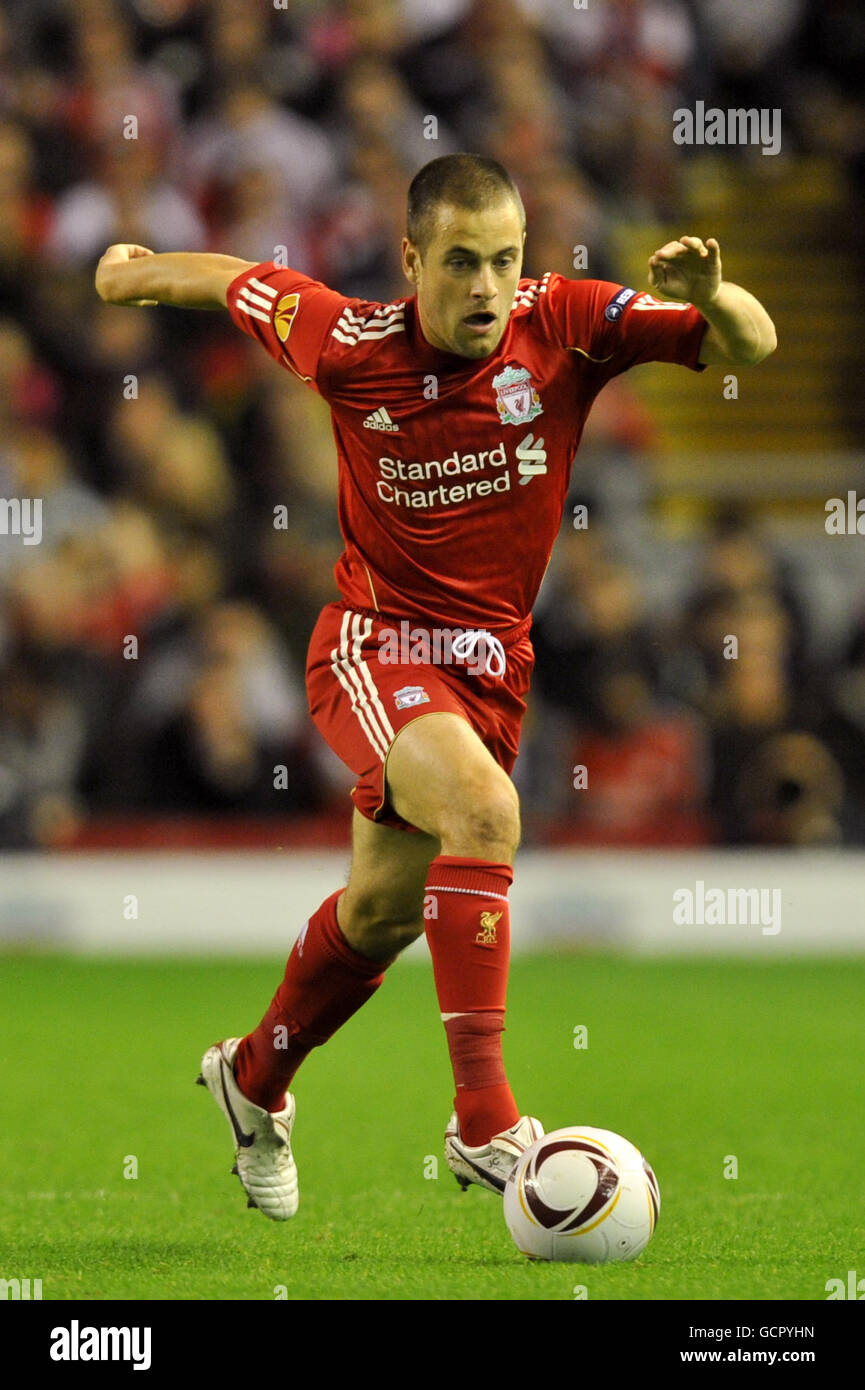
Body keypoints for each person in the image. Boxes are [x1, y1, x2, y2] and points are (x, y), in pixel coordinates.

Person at [95, 153, 777, 1220]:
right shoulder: (348, 341)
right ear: (411, 260)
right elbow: (230, 278)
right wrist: (127, 276)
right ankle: (483, 1121)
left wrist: (711, 295)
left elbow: (753, 342)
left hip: (491, 668)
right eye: (460, 261)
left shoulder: (568, 322)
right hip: (374, 648)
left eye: (504, 259)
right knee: (485, 810)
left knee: (379, 913)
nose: (486, 285)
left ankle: (255, 1076)